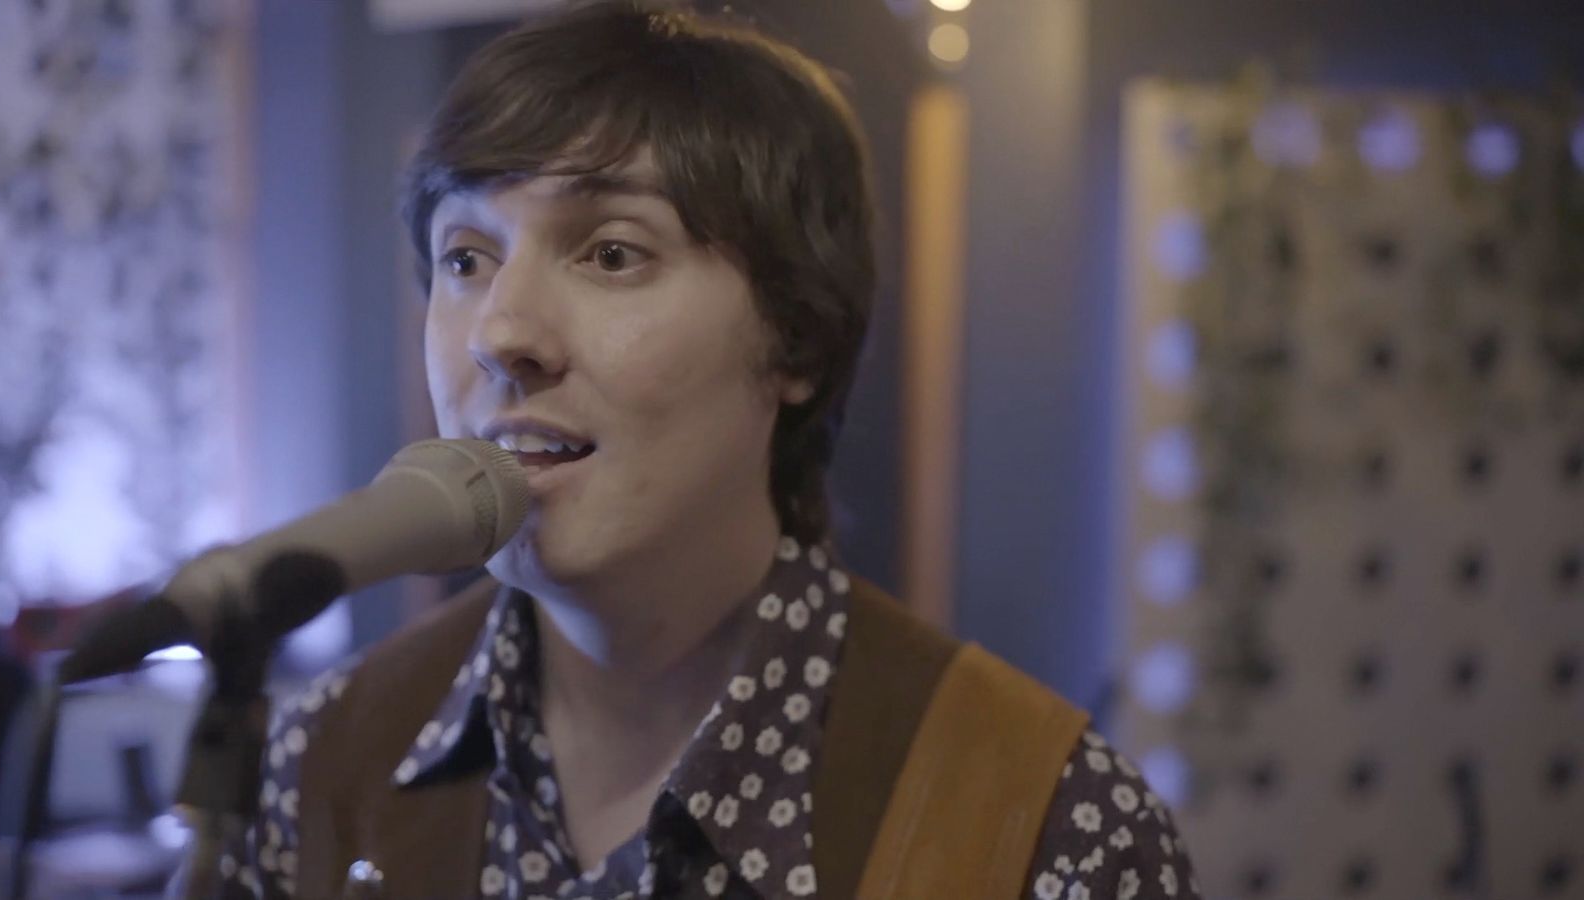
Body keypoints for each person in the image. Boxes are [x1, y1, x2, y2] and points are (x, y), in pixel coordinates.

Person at [219, 2, 1203, 898]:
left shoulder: (1047, 830)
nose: (500, 332)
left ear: (795, 338)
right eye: (466, 259)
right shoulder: (321, 764)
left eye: (612, 253)